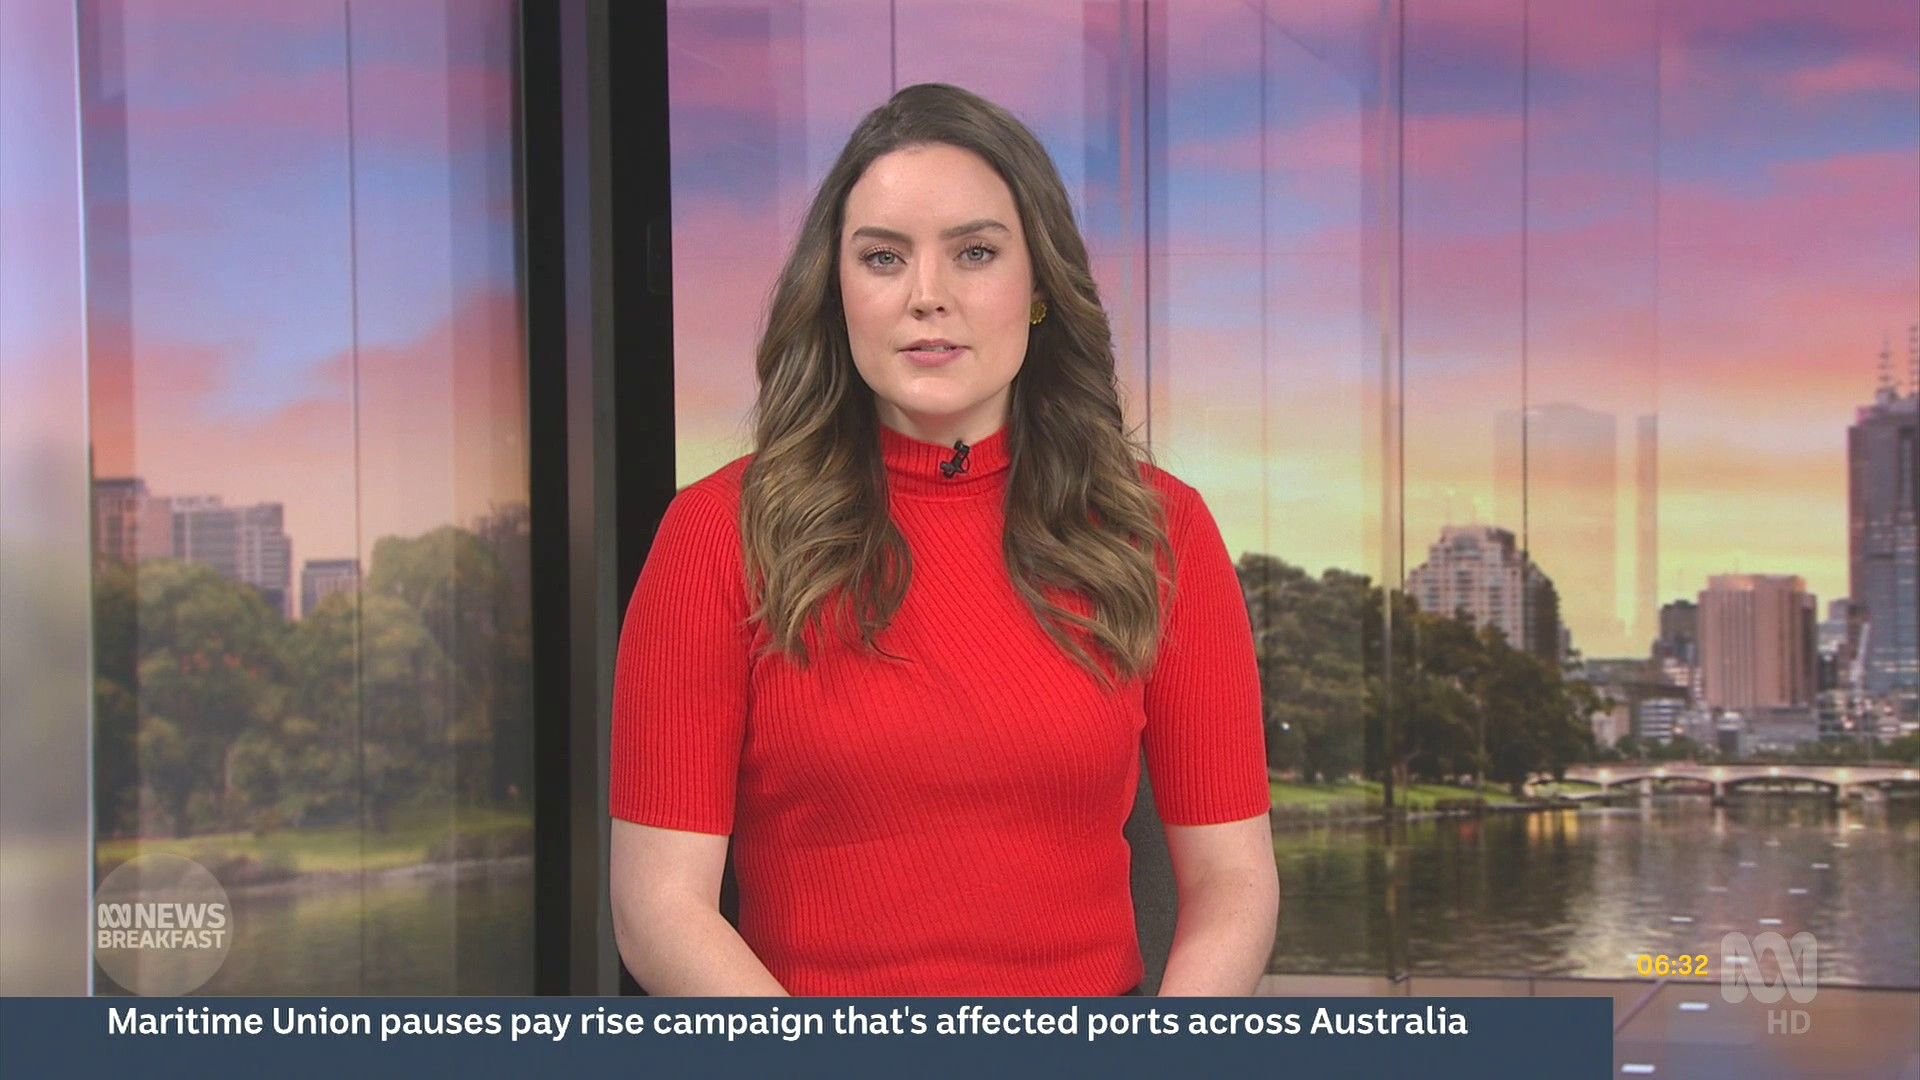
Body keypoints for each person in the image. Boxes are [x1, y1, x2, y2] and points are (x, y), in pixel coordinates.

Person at [608, 83, 1277, 997]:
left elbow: (1234, 884)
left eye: (975, 253)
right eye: (883, 258)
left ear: (1039, 288)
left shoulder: (1162, 530)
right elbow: (658, 908)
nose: (928, 297)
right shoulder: (716, 534)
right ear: (837, 292)